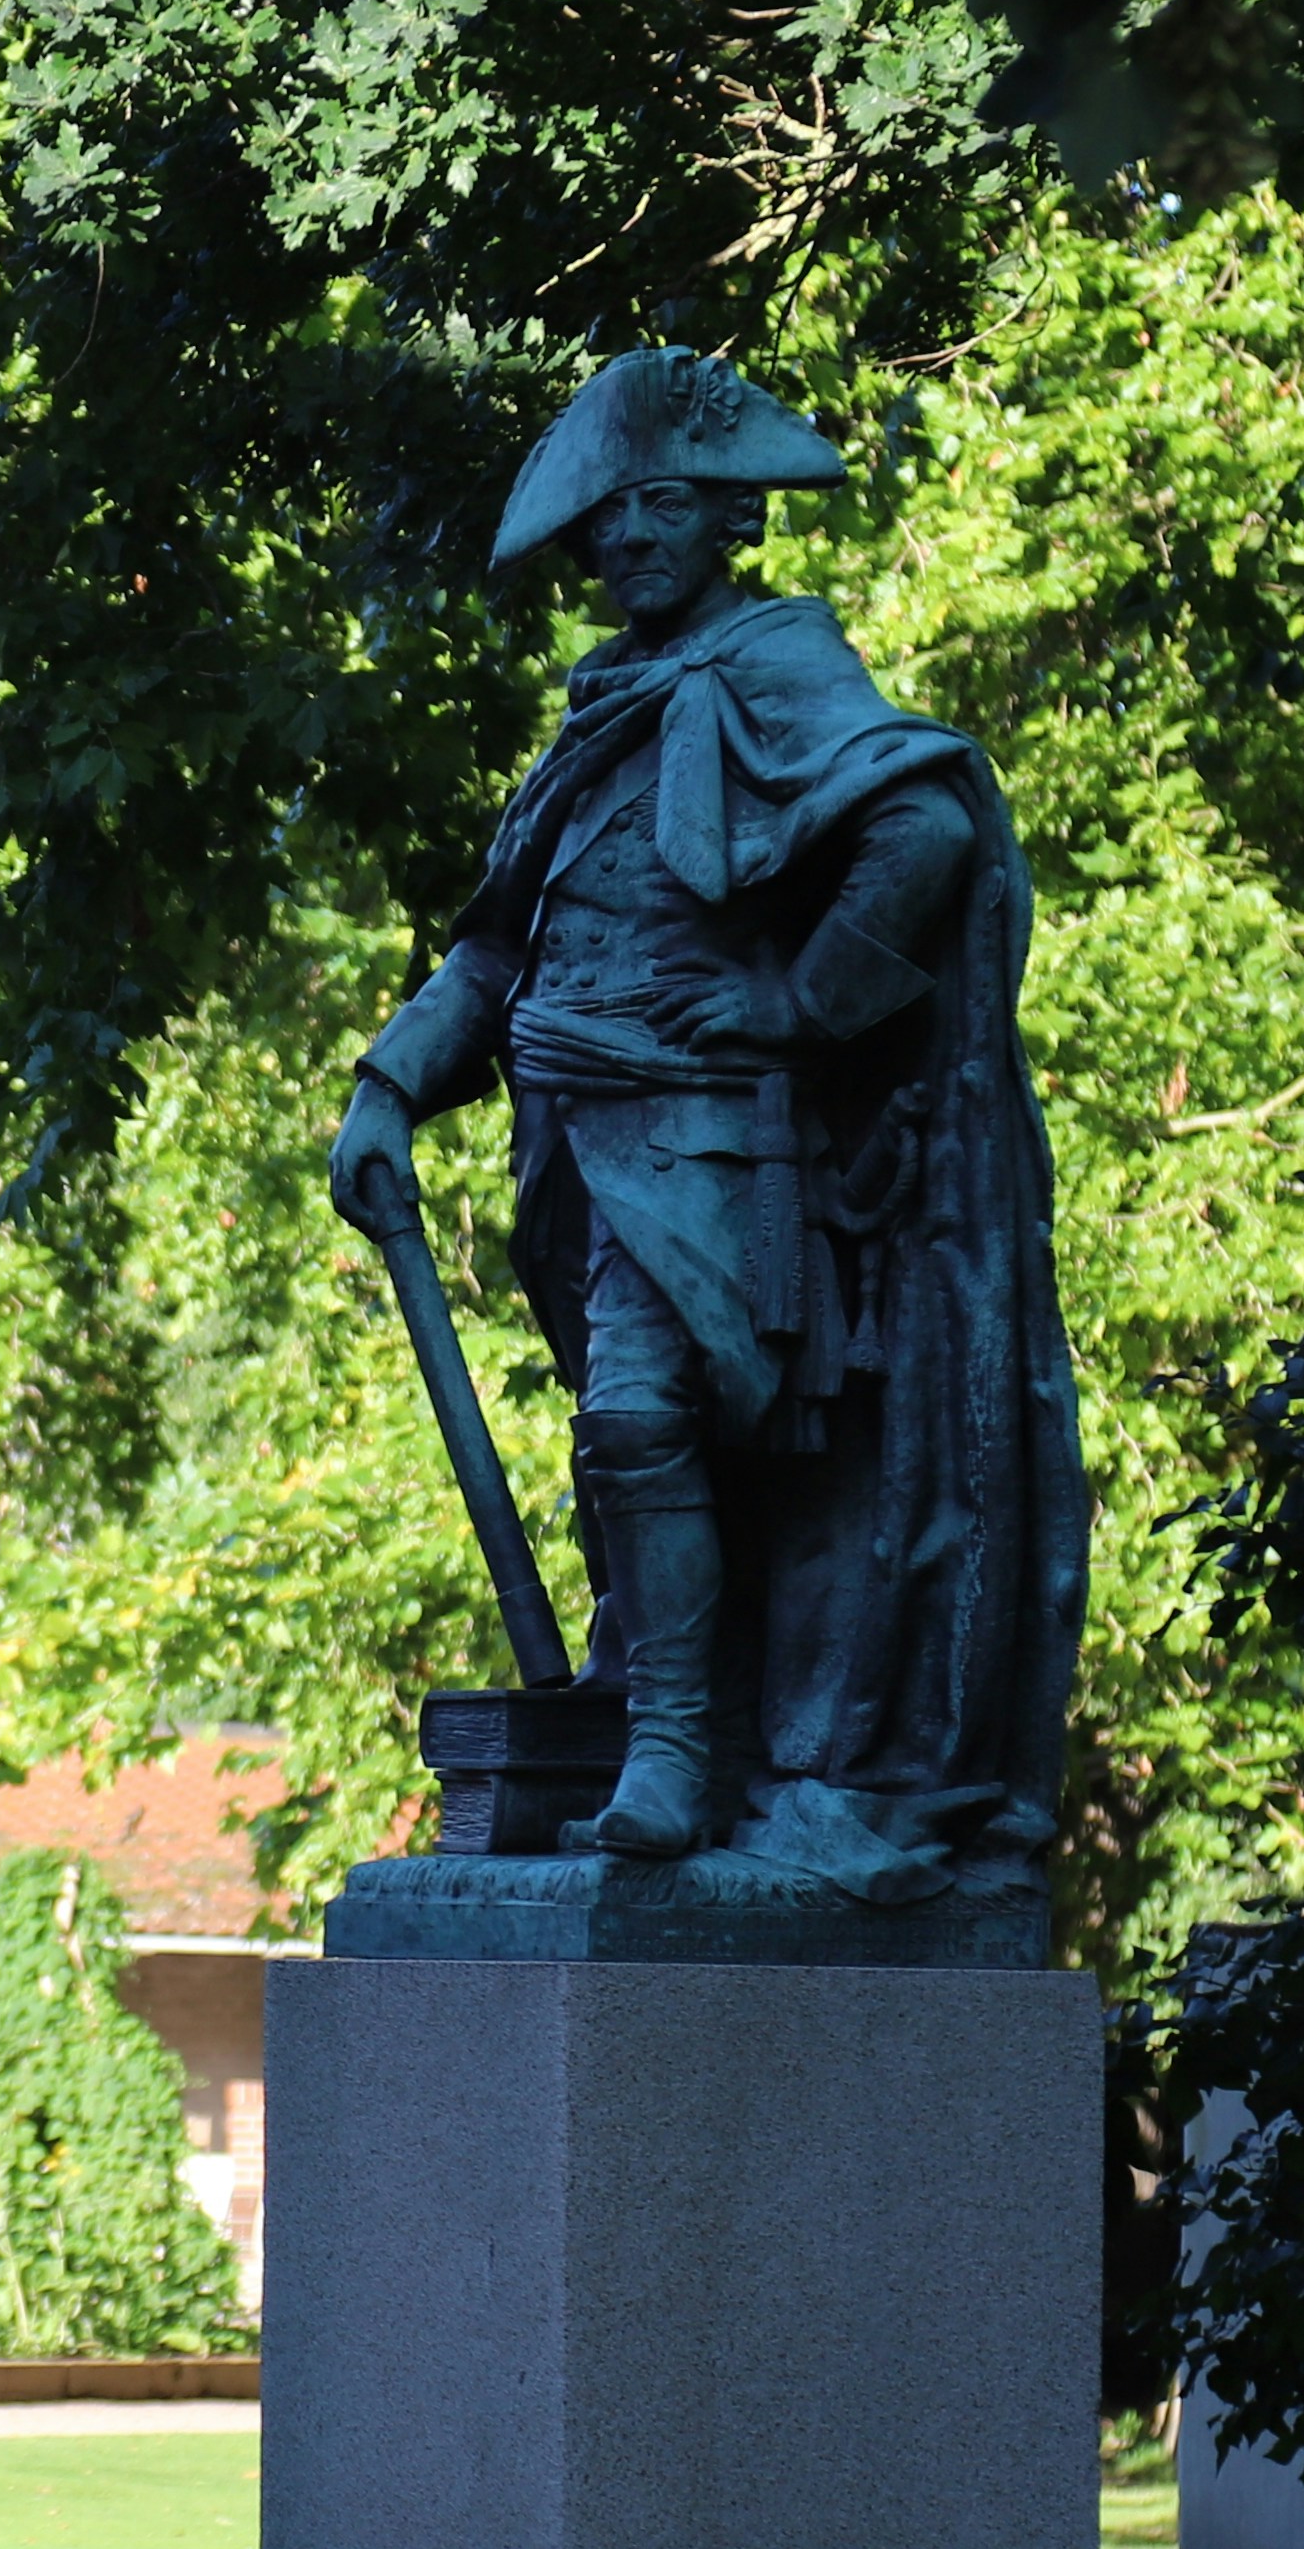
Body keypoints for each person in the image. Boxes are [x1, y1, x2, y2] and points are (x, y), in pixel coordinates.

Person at [324, 348, 1088, 1886]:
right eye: (606, 523)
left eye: (659, 508)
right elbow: (499, 944)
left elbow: (927, 826)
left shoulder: (780, 667)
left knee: (644, 1419)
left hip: (722, 1148)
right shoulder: (605, 708)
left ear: (732, 519)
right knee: (637, 1451)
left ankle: (676, 1747)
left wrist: (798, 1006)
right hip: (577, 1144)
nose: (627, 543)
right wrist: (393, 1082)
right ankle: (685, 1721)